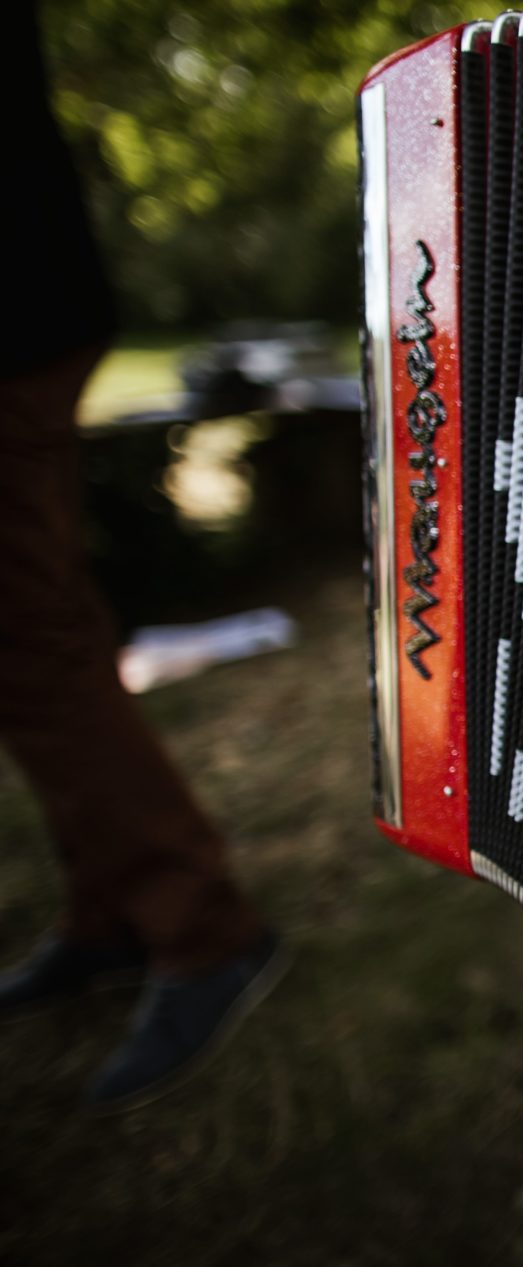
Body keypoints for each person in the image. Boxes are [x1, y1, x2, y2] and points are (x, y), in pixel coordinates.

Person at [0, 2, 286, 1113]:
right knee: (30, 640)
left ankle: (201, 925)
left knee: (31, 639)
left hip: (14, 309)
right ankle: (111, 910)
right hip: (34, 292)